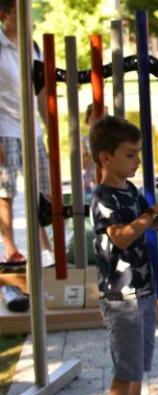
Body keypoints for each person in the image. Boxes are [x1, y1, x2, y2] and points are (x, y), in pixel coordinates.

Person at [90, 115, 158, 395]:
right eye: (130, 154)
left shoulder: (128, 189)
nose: (138, 159)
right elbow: (121, 238)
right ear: (106, 158)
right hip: (121, 298)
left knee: (137, 369)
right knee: (124, 371)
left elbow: (152, 225)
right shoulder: (103, 198)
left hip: (142, 292)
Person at [0, 0, 53, 265]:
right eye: (21, 13)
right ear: (5, 15)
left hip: (31, 130)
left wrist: (51, 127)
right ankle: (10, 250)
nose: (27, 18)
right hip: (4, 129)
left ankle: (45, 247)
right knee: (5, 190)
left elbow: (41, 92)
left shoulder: (33, 47)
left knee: (42, 190)